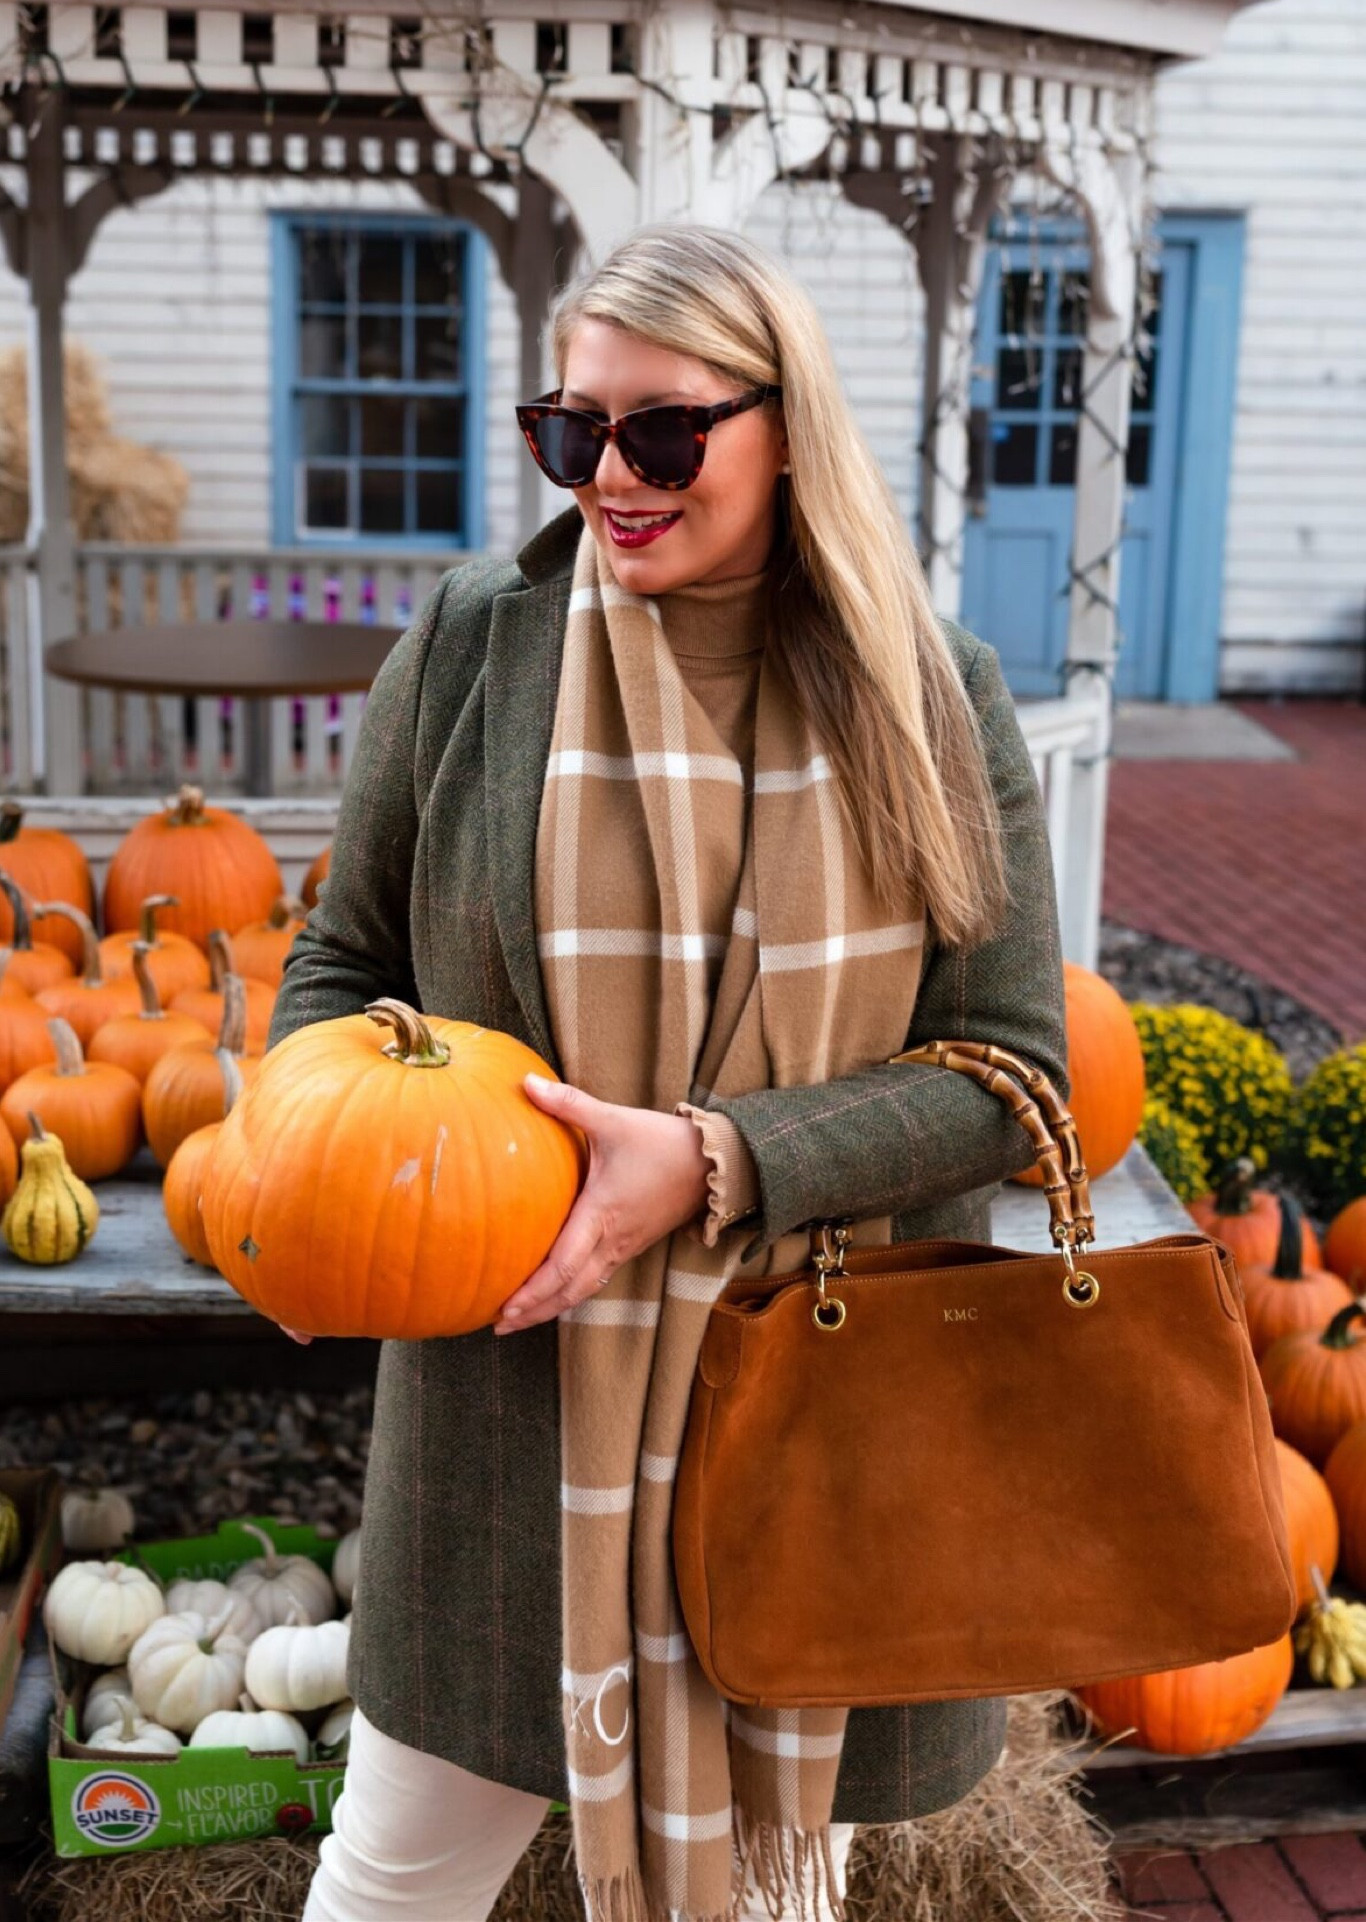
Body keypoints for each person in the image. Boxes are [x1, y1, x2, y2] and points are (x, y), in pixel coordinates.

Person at [285, 223, 1068, 1922]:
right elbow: (339, 968)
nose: (610, 480)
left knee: (772, 1901)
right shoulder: (477, 646)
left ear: (785, 425)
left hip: (820, 1419)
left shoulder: (931, 698)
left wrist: (718, 1157)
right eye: (572, 433)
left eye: (661, 432)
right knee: (390, 1887)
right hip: (511, 1422)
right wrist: (304, 1161)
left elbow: (1014, 1076)